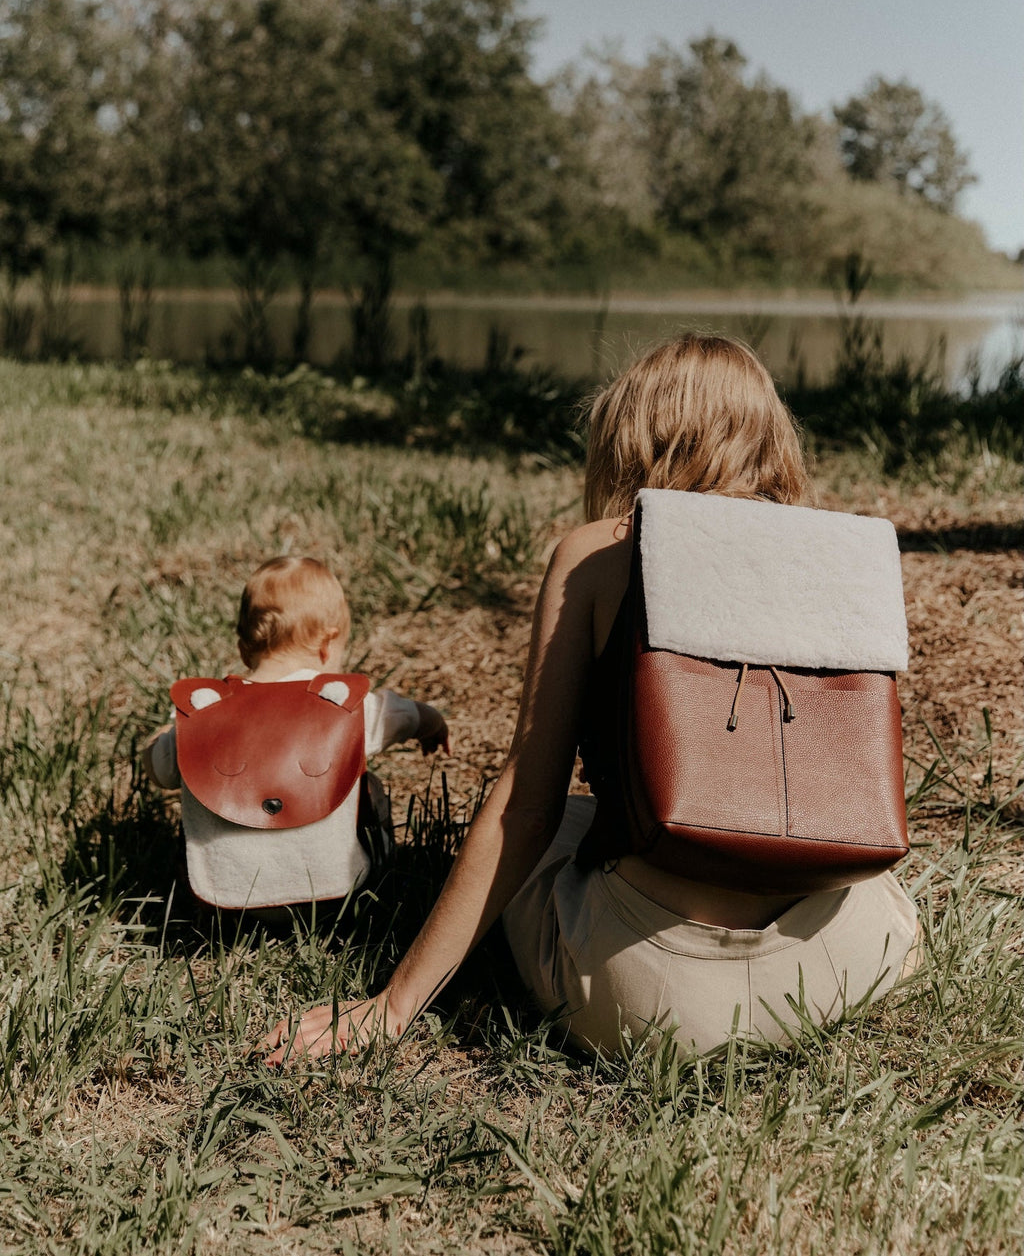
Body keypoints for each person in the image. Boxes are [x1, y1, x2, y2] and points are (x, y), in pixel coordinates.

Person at [263, 336, 919, 1062]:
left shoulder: (604, 552)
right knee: (878, 897)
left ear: (635, 432)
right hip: (836, 965)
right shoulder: (834, 553)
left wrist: (390, 1006)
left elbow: (528, 804)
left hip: (651, 995)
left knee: (553, 826)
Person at [143, 556, 448, 917]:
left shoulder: (205, 713)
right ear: (328, 645)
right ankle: (380, 877)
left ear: (243, 649)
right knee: (370, 786)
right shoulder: (348, 707)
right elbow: (409, 716)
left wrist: (164, 734)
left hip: (227, 900)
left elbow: (159, 770)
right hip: (339, 896)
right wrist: (435, 724)